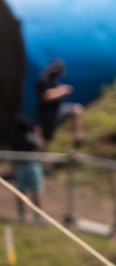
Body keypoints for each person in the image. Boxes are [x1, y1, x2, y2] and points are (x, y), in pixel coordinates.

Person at [13, 60, 84, 222]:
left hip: (54, 112)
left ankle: (77, 137)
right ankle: (46, 166)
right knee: (46, 142)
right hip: (48, 115)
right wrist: (61, 91)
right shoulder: (44, 80)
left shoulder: (52, 79)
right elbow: (45, 96)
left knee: (76, 110)